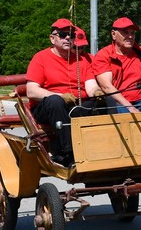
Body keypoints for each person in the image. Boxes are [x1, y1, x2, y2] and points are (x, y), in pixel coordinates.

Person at [25, 18, 102, 167]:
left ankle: (104, 149)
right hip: (47, 107)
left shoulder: (82, 60)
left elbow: (90, 86)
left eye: (71, 35)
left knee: (106, 101)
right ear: (52, 38)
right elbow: (32, 91)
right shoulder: (40, 58)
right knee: (56, 102)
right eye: (62, 34)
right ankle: (69, 154)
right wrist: (60, 96)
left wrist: (97, 93)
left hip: (75, 104)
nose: (68, 37)